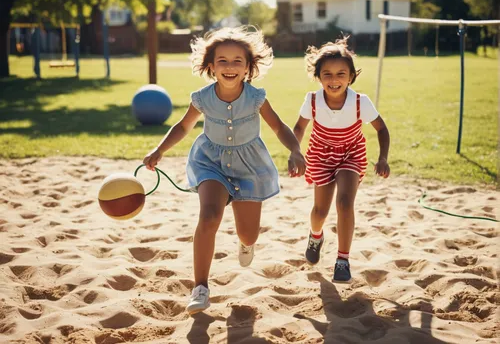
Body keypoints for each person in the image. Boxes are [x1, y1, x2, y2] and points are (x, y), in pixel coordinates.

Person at [143, 26, 306, 314]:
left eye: (237, 61)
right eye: (222, 61)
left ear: (248, 68)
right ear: (210, 66)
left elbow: (279, 127)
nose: (229, 67)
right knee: (209, 216)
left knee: (249, 234)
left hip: (249, 167)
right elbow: (182, 127)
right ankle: (201, 287)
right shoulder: (203, 98)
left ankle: (246, 244)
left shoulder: (256, 98)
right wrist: (159, 150)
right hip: (210, 163)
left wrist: (295, 150)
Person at [292, 37, 390, 283]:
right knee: (320, 211)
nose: (334, 80)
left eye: (340, 74)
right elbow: (299, 128)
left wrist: (383, 158)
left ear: (351, 77)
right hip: (321, 155)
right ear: (318, 76)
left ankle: (342, 260)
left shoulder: (360, 102)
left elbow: (382, 129)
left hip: (351, 153)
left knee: (345, 203)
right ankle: (316, 236)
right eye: (327, 74)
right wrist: (295, 152)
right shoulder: (312, 100)